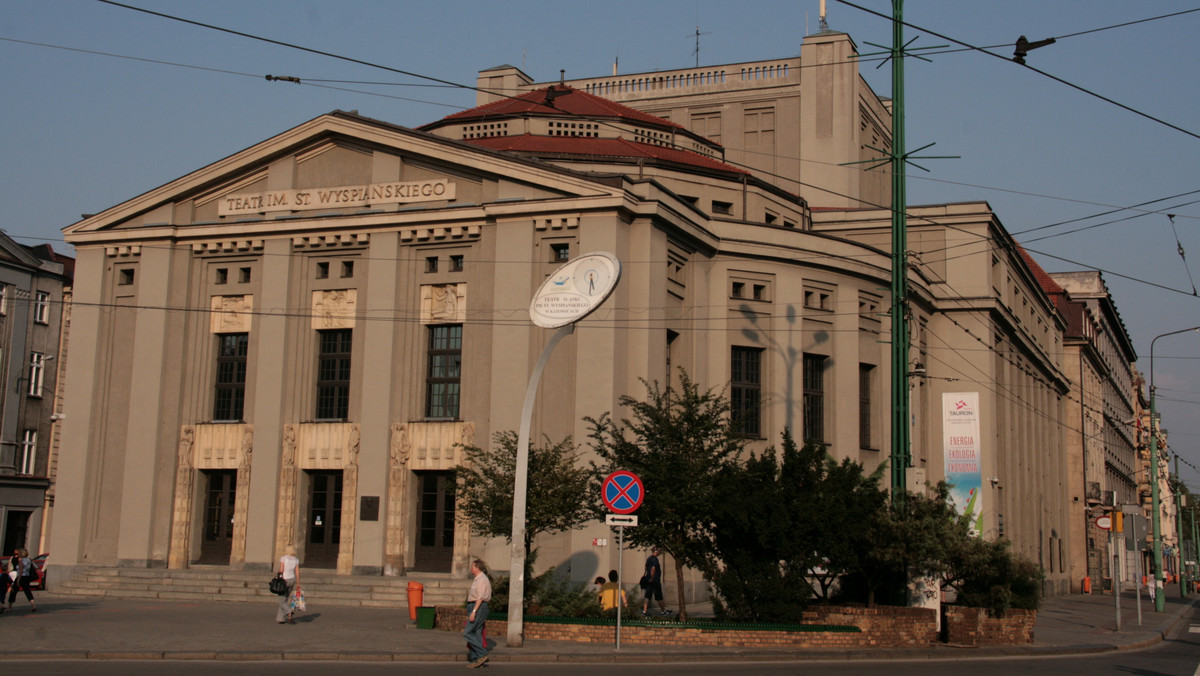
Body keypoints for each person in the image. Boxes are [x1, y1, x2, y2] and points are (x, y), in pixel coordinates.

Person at [463, 558, 492, 668]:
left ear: (478, 568)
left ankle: (481, 654)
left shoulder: (482, 580)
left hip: (478, 607)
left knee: (468, 632)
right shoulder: (477, 579)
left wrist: (474, 611)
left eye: (473, 567)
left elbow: (480, 598)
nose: (471, 568)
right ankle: (477, 660)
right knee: (476, 633)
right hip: (475, 606)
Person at [7, 548, 36, 612]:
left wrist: (18, 580)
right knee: (27, 591)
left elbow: (21, 570)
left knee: (13, 591)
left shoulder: (20, 560)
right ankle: (33, 605)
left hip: (21, 576)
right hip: (27, 576)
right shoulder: (29, 560)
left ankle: (10, 606)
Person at [276, 546, 300, 624]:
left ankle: (289, 611)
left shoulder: (283, 558)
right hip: (292, 579)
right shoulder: (296, 560)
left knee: (281, 600)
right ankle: (281, 618)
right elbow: (297, 572)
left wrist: (278, 578)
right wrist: (298, 583)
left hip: (284, 580)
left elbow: (281, 570)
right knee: (284, 599)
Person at [641, 546, 667, 617]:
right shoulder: (655, 560)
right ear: (655, 551)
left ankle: (645, 611)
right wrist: (652, 577)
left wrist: (648, 576)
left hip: (648, 580)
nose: (659, 552)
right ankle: (663, 611)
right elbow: (653, 568)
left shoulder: (649, 558)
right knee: (659, 596)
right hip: (654, 581)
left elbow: (646, 567)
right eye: (659, 550)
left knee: (647, 596)